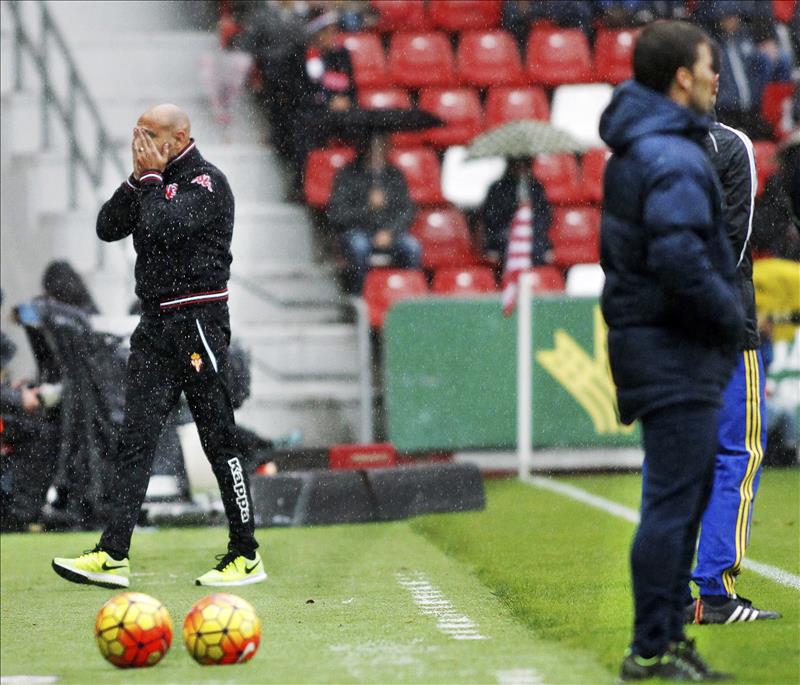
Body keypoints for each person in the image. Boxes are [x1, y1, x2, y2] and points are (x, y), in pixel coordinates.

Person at [51, 104, 266, 589]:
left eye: (150, 134)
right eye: (138, 133)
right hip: (153, 327)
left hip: (197, 322)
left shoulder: (208, 183)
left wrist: (147, 182)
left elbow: (161, 226)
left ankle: (245, 552)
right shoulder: (150, 181)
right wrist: (135, 180)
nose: (141, 143)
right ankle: (113, 554)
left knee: (217, 437)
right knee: (136, 439)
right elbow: (108, 227)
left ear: (179, 137)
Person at [599, 21, 744, 681]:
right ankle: (651, 648)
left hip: (658, 345)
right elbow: (680, 257)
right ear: (683, 77)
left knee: (680, 500)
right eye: (710, 65)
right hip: (673, 350)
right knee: (672, 502)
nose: (717, 78)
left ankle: (664, 639)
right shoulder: (671, 155)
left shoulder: (645, 145)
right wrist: (730, 316)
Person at [683, 50, 781, 625]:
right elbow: (734, 243)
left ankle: (671, 593)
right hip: (724, 329)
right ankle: (716, 594)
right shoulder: (729, 145)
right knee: (737, 454)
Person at [327, 133, 420, 294]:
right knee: (359, 247)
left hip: (390, 234)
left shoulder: (395, 175)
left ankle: (409, 295)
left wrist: (389, 232)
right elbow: (337, 215)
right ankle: (358, 296)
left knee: (412, 247)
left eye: (381, 146)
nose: (376, 152)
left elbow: (407, 211)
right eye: (372, 147)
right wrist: (367, 207)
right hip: (358, 232)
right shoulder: (346, 175)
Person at [480, 156, 553, 267]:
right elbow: (491, 220)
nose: (521, 167)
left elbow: (544, 218)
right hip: (503, 242)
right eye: (517, 163)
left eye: (525, 163)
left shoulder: (537, 188)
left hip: (533, 243)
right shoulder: (497, 189)